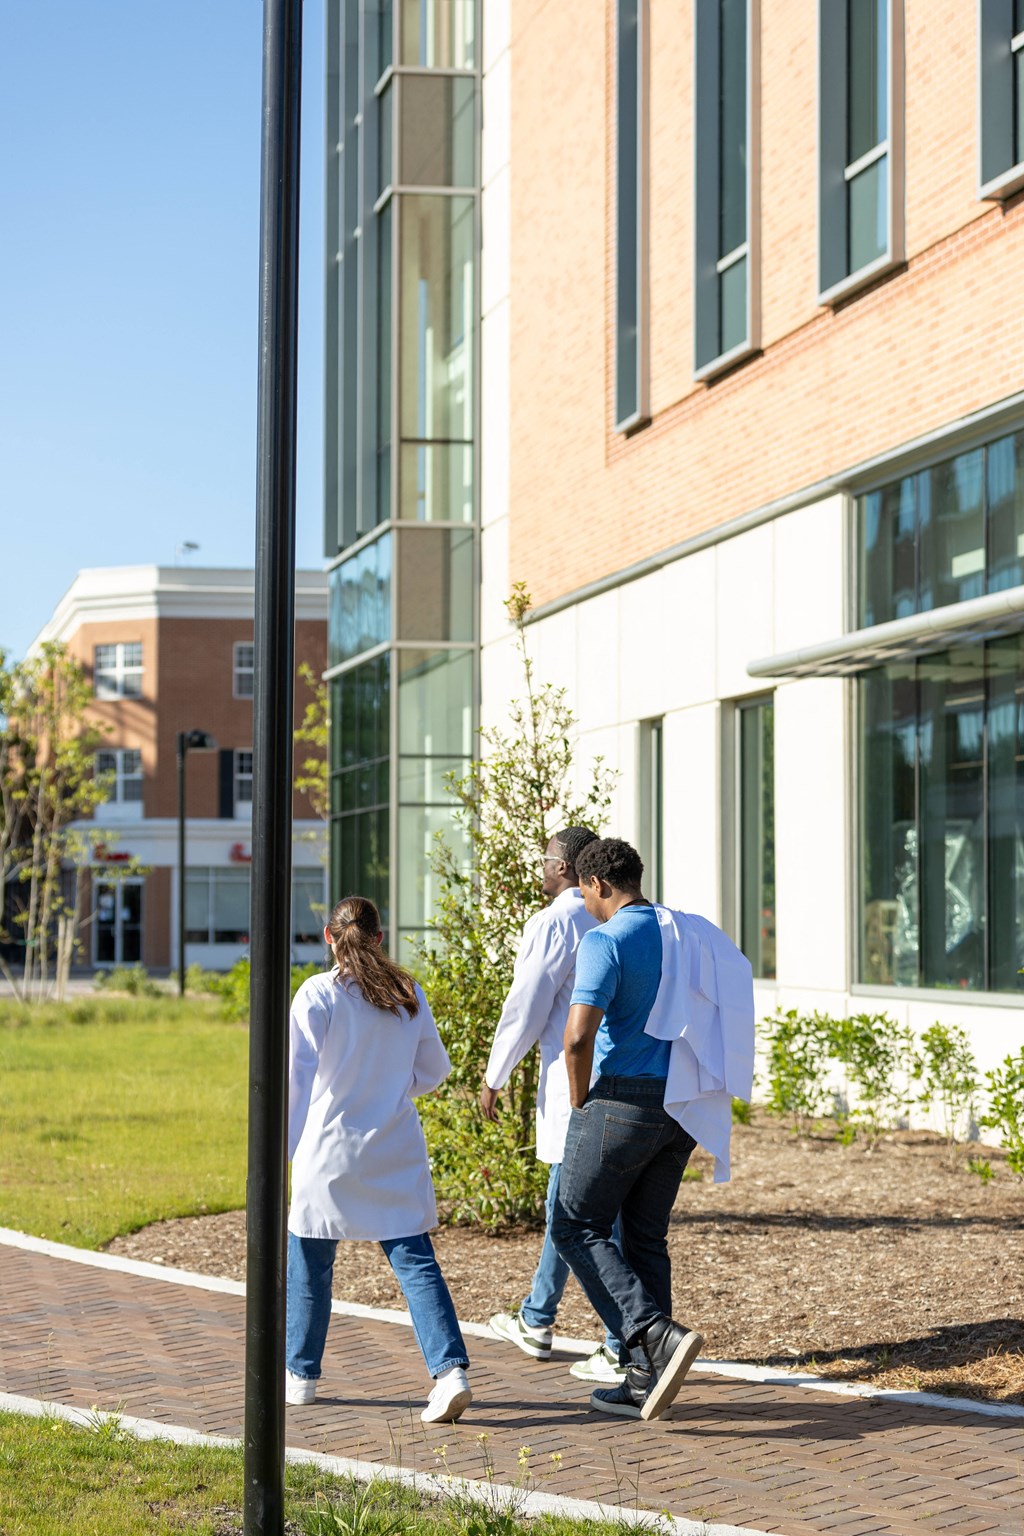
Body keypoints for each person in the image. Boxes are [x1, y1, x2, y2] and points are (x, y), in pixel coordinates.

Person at [286, 895, 472, 1425]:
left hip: (328, 1152)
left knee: (311, 1264)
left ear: (329, 937)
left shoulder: (317, 995)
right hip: (393, 1147)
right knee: (415, 1263)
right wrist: (394, 1086)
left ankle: (300, 1378)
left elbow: (296, 1083)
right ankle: (451, 1373)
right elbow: (434, 1070)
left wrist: (285, 1152)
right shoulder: (406, 992)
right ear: (380, 938)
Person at [551, 837, 705, 1423]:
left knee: (573, 1224)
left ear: (596, 885)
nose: (583, 901)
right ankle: (645, 1377)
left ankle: (651, 1332)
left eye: (582, 892)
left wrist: (578, 1104)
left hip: (623, 1099)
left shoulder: (605, 940)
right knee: (643, 1239)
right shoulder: (679, 932)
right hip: (681, 1105)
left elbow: (576, 1037)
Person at [481, 827, 626, 1385]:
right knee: (568, 1208)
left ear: (564, 866)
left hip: (573, 1087)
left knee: (586, 1217)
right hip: (620, 1084)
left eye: (545, 859)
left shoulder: (557, 922)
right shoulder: (620, 915)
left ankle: (621, 1340)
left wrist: (495, 1075)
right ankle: (537, 1318)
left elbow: (526, 1005)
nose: (539, 868)